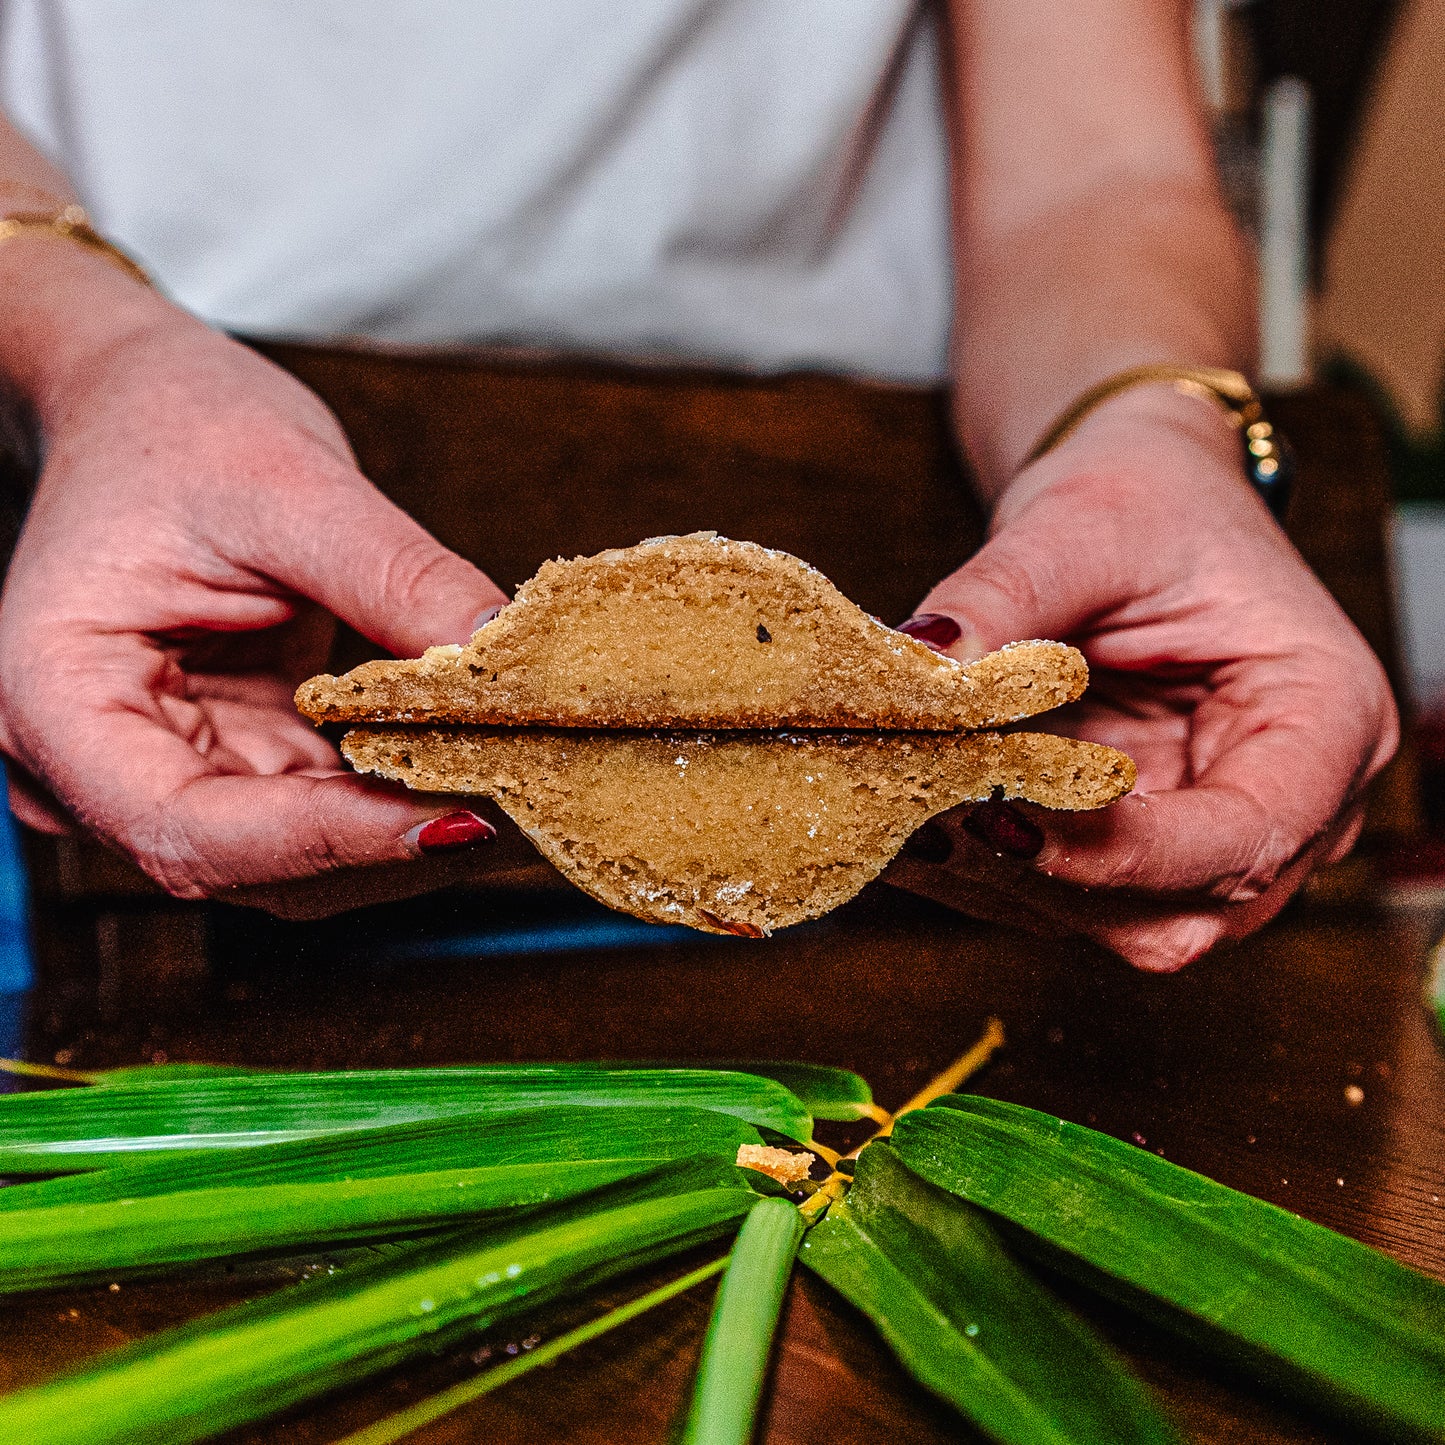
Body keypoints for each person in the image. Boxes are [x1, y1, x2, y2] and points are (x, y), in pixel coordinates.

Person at [0, 2, 1396, 973]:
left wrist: (1144, 424)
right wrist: (93, 348)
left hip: (906, 569)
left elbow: (1097, 173)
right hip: (177, 574)